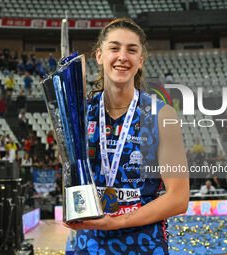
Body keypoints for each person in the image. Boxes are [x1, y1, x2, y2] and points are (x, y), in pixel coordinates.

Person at [63, 18, 189, 254]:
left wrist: (117, 221)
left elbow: (179, 198)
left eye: (132, 50)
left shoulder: (161, 115)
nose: (123, 56)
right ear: (99, 55)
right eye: (114, 48)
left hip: (144, 244)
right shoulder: (80, 114)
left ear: (140, 61)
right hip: (87, 245)